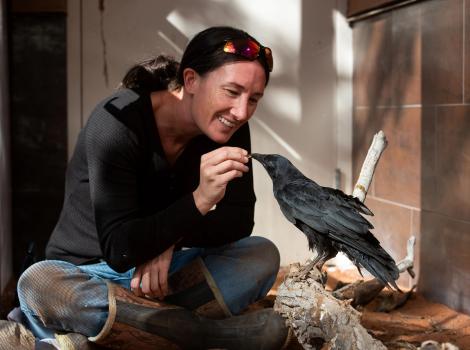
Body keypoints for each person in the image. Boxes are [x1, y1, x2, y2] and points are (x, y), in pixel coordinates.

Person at [17, 26, 290, 349]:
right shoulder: (116, 124)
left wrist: (169, 242)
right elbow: (119, 250)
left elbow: (239, 221)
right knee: (39, 283)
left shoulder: (230, 126)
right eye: (231, 92)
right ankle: (205, 334)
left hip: (163, 280)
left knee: (260, 256)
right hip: (90, 274)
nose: (242, 111)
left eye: (254, 99)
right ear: (191, 80)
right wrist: (200, 199)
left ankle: (119, 334)